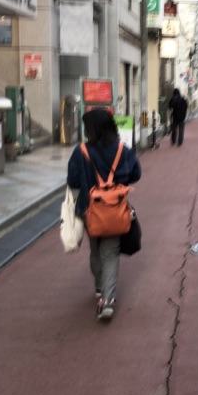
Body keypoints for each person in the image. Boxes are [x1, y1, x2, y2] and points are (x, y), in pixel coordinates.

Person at [67, 109, 142, 321]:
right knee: (110, 253)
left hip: (88, 210)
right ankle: (108, 301)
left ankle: (100, 287)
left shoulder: (80, 151)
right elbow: (136, 174)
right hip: (115, 210)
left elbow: (73, 181)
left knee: (96, 251)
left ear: (90, 129)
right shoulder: (122, 150)